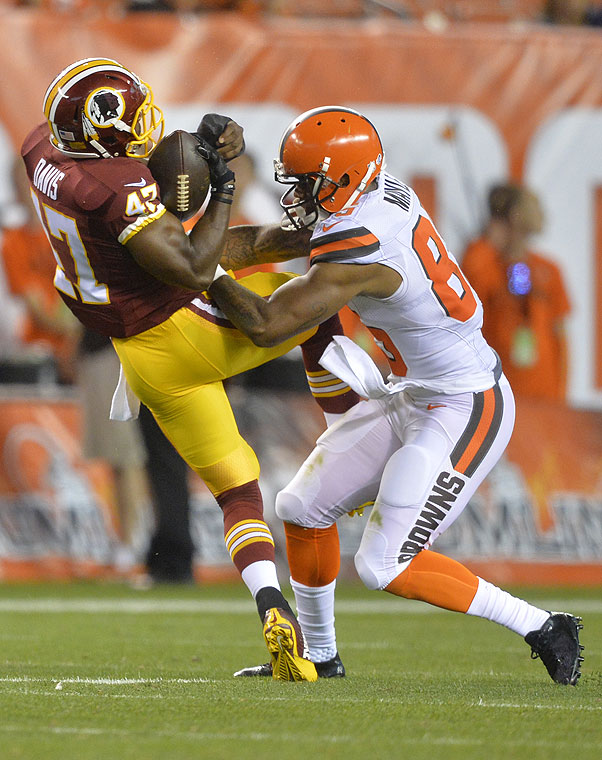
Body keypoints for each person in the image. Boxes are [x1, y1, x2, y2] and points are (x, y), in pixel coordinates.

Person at [208, 106, 584, 686]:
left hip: (465, 403)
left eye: (308, 183)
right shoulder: (375, 193)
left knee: (384, 562)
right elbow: (268, 241)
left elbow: (265, 324)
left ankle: (543, 624)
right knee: (300, 508)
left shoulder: (362, 244)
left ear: (342, 180)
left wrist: (198, 274)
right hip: (415, 392)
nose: (299, 195)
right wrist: (187, 251)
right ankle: (320, 657)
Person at [21, 58, 359, 681]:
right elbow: (200, 266)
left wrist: (197, 151)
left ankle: (271, 605)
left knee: (236, 484)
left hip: (143, 360)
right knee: (309, 300)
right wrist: (222, 184)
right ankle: (351, 429)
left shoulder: (44, 149)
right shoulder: (115, 190)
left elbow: (160, 204)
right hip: (185, 329)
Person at [461, 183, 571, 402]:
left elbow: (561, 338)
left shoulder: (548, 270)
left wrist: (561, 391)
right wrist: (487, 242)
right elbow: (464, 296)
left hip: (542, 393)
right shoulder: (485, 262)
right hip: (495, 392)